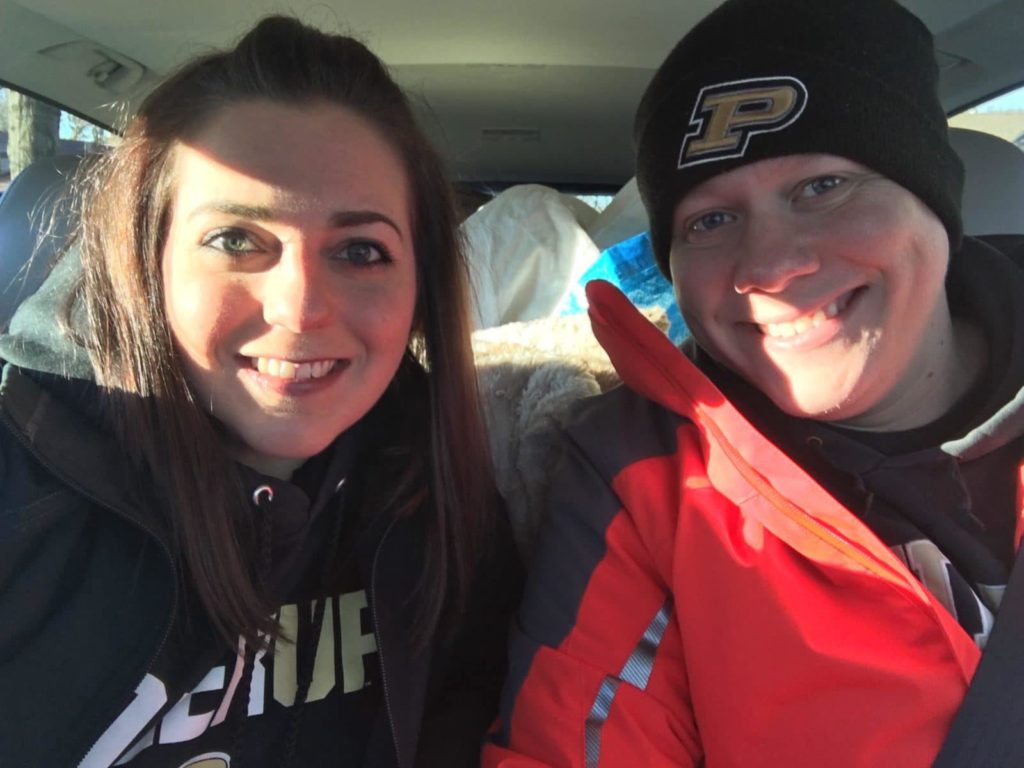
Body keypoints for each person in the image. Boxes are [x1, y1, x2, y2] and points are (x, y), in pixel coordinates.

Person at [483, 0, 1024, 765]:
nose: (770, 266)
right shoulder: (642, 479)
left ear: (934, 198)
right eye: (709, 221)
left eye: (822, 186)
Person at [0, 16, 521, 768]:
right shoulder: (22, 492)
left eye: (360, 251)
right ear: (147, 257)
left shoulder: (444, 506)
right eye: (237, 240)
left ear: (421, 289)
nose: (301, 309)